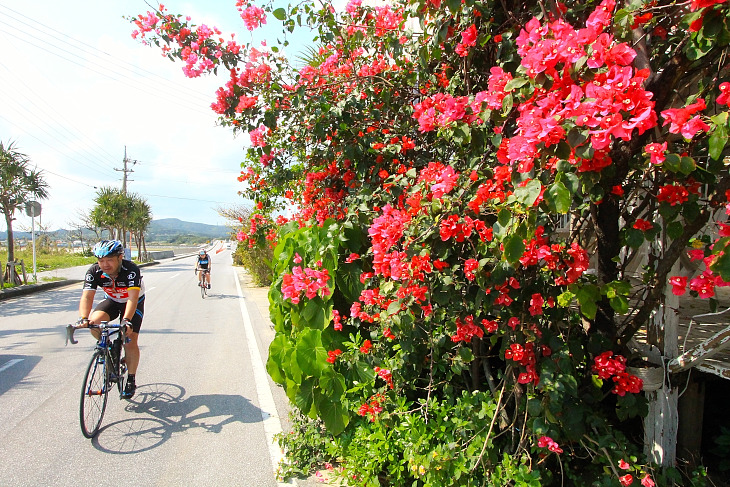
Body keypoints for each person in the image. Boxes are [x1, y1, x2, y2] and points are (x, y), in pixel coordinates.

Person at [77, 239, 145, 399]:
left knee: (131, 338)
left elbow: (132, 299)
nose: (105, 264)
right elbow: (87, 297)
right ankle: (107, 349)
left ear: (120, 257)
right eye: (101, 261)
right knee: (94, 323)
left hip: (132, 302)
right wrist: (83, 318)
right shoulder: (94, 272)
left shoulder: (131, 270)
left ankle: (131, 379)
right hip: (113, 301)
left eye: (109, 260)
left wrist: (126, 320)